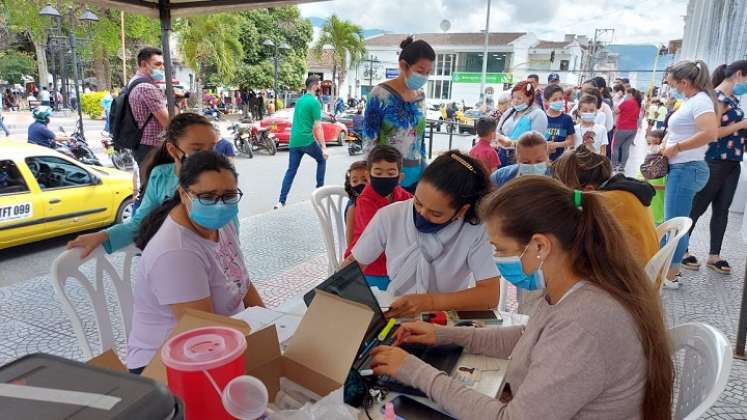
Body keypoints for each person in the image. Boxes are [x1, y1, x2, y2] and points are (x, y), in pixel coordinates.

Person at [370, 176, 674, 420]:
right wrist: (442, 334)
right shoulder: (574, 286)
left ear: (540, 246)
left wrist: (416, 372)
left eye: (501, 249)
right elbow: (528, 338)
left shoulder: (585, 321)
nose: (497, 258)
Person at [126, 151, 264, 373]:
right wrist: (260, 343)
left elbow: (244, 283)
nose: (220, 205)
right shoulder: (176, 252)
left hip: (228, 338)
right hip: (168, 363)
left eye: (229, 196)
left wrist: (269, 325)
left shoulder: (221, 224)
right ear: (183, 194)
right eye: (207, 197)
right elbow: (204, 332)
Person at [348, 151, 499, 317]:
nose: (422, 214)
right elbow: (352, 266)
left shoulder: (476, 230)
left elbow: (490, 296)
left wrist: (430, 302)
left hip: (445, 318)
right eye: (418, 202)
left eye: (436, 214)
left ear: (462, 210)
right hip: (395, 311)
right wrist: (334, 291)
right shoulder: (391, 216)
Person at [66, 113, 219, 257]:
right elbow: (140, 223)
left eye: (212, 147)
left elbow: (229, 231)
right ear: (173, 150)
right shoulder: (161, 176)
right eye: (197, 149)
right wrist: (103, 235)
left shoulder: (221, 179)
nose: (207, 155)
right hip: (174, 258)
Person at [682, 60, 747, 275]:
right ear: (739, 74)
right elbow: (713, 132)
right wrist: (741, 125)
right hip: (715, 161)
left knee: (722, 210)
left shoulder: (734, 99)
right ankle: (681, 250)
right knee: (698, 207)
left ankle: (714, 255)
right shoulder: (716, 98)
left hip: (732, 162)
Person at [660, 61, 719, 287]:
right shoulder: (692, 100)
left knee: (676, 224)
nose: (671, 87)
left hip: (687, 168)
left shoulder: (701, 101)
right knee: (676, 222)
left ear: (684, 82)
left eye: (673, 83)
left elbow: (710, 133)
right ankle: (671, 270)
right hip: (683, 168)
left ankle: (671, 275)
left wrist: (677, 148)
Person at [553, 145, 659, 270]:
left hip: (630, 280)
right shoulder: (624, 190)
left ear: (588, 190)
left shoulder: (605, 203)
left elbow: (582, 249)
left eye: (568, 192)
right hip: (646, 271)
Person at [363, 36, 435, 194]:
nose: (424, 77)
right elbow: (369, 139)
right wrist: (372, 178)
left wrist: (425, 168)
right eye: (420, 71)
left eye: (428, 72)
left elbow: (419, 138)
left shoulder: (421, 97)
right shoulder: (380, 94)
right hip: (387, 177)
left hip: (416, 176)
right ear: (403, 65)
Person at [345, 146, 413, 289]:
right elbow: (377, 238)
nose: (384, 177)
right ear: (369, 176)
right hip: (369, 264)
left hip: (395, 259)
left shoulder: (401, 194)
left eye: (391, 172)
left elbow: (415, 209)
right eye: (378, 172)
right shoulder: (365, 200)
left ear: (400, 177)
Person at [275, 76, 328, 209]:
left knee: (291, 171)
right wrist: (324, 147)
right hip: (307, 140)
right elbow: (318, 126)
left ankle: (281, 201)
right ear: (315, 86)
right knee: (322, 159)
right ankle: (319, 193)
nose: (320, 87)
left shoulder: (299, 101)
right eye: (319, 85)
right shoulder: (314, 103)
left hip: (294, 141)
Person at [129, 47, 170, 165]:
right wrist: (176, 103)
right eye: (157, 64)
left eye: (162, 64)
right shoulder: (146, 88)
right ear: (143, 64)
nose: (162, 68)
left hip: (142, 144)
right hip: (151, 146)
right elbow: (168, 122)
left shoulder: (134, 81)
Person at [496, 80, 548, 167]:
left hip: (524, 158)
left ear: (530, 97)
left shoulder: (538, 114)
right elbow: (498, 130)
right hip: (502, 155)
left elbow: (537, 142)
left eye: (519, 98)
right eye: (513, 97)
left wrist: (512, 143)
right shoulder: (510, 112)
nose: (515, 101)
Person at [640, 129, 667, 225]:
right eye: (649, 144)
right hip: (649, 204)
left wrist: (651, 186)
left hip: (658, 206)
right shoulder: (647, 163)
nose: (652, 147)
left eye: (655, 144)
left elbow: (667, 187)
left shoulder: (664, 167)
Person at [613, 87, 643, 171]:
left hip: (622, 127)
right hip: (633, 129)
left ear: (630, 94)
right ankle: (622, 167)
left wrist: (618, 99)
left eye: (626, 93)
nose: (625, 95)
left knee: (615, 147)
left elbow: (616, 111)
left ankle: (614, 166)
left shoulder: (626, 102)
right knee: (626, 148)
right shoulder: (638, 103)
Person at [543, 84, 576, 160]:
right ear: (546, 101)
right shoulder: (542, 117)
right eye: (554, 100)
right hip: (542, 159)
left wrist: (556, 145)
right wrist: (546, 145)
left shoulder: (567, 119)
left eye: (560, 99)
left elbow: (570, 141)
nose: (558, 101)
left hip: (560, 160)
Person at [344, 160, 369, 246]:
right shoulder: (353, 208)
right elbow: (350, 243)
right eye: (355, 181)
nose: (360, 184)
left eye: (365, 180)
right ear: (350, 183)